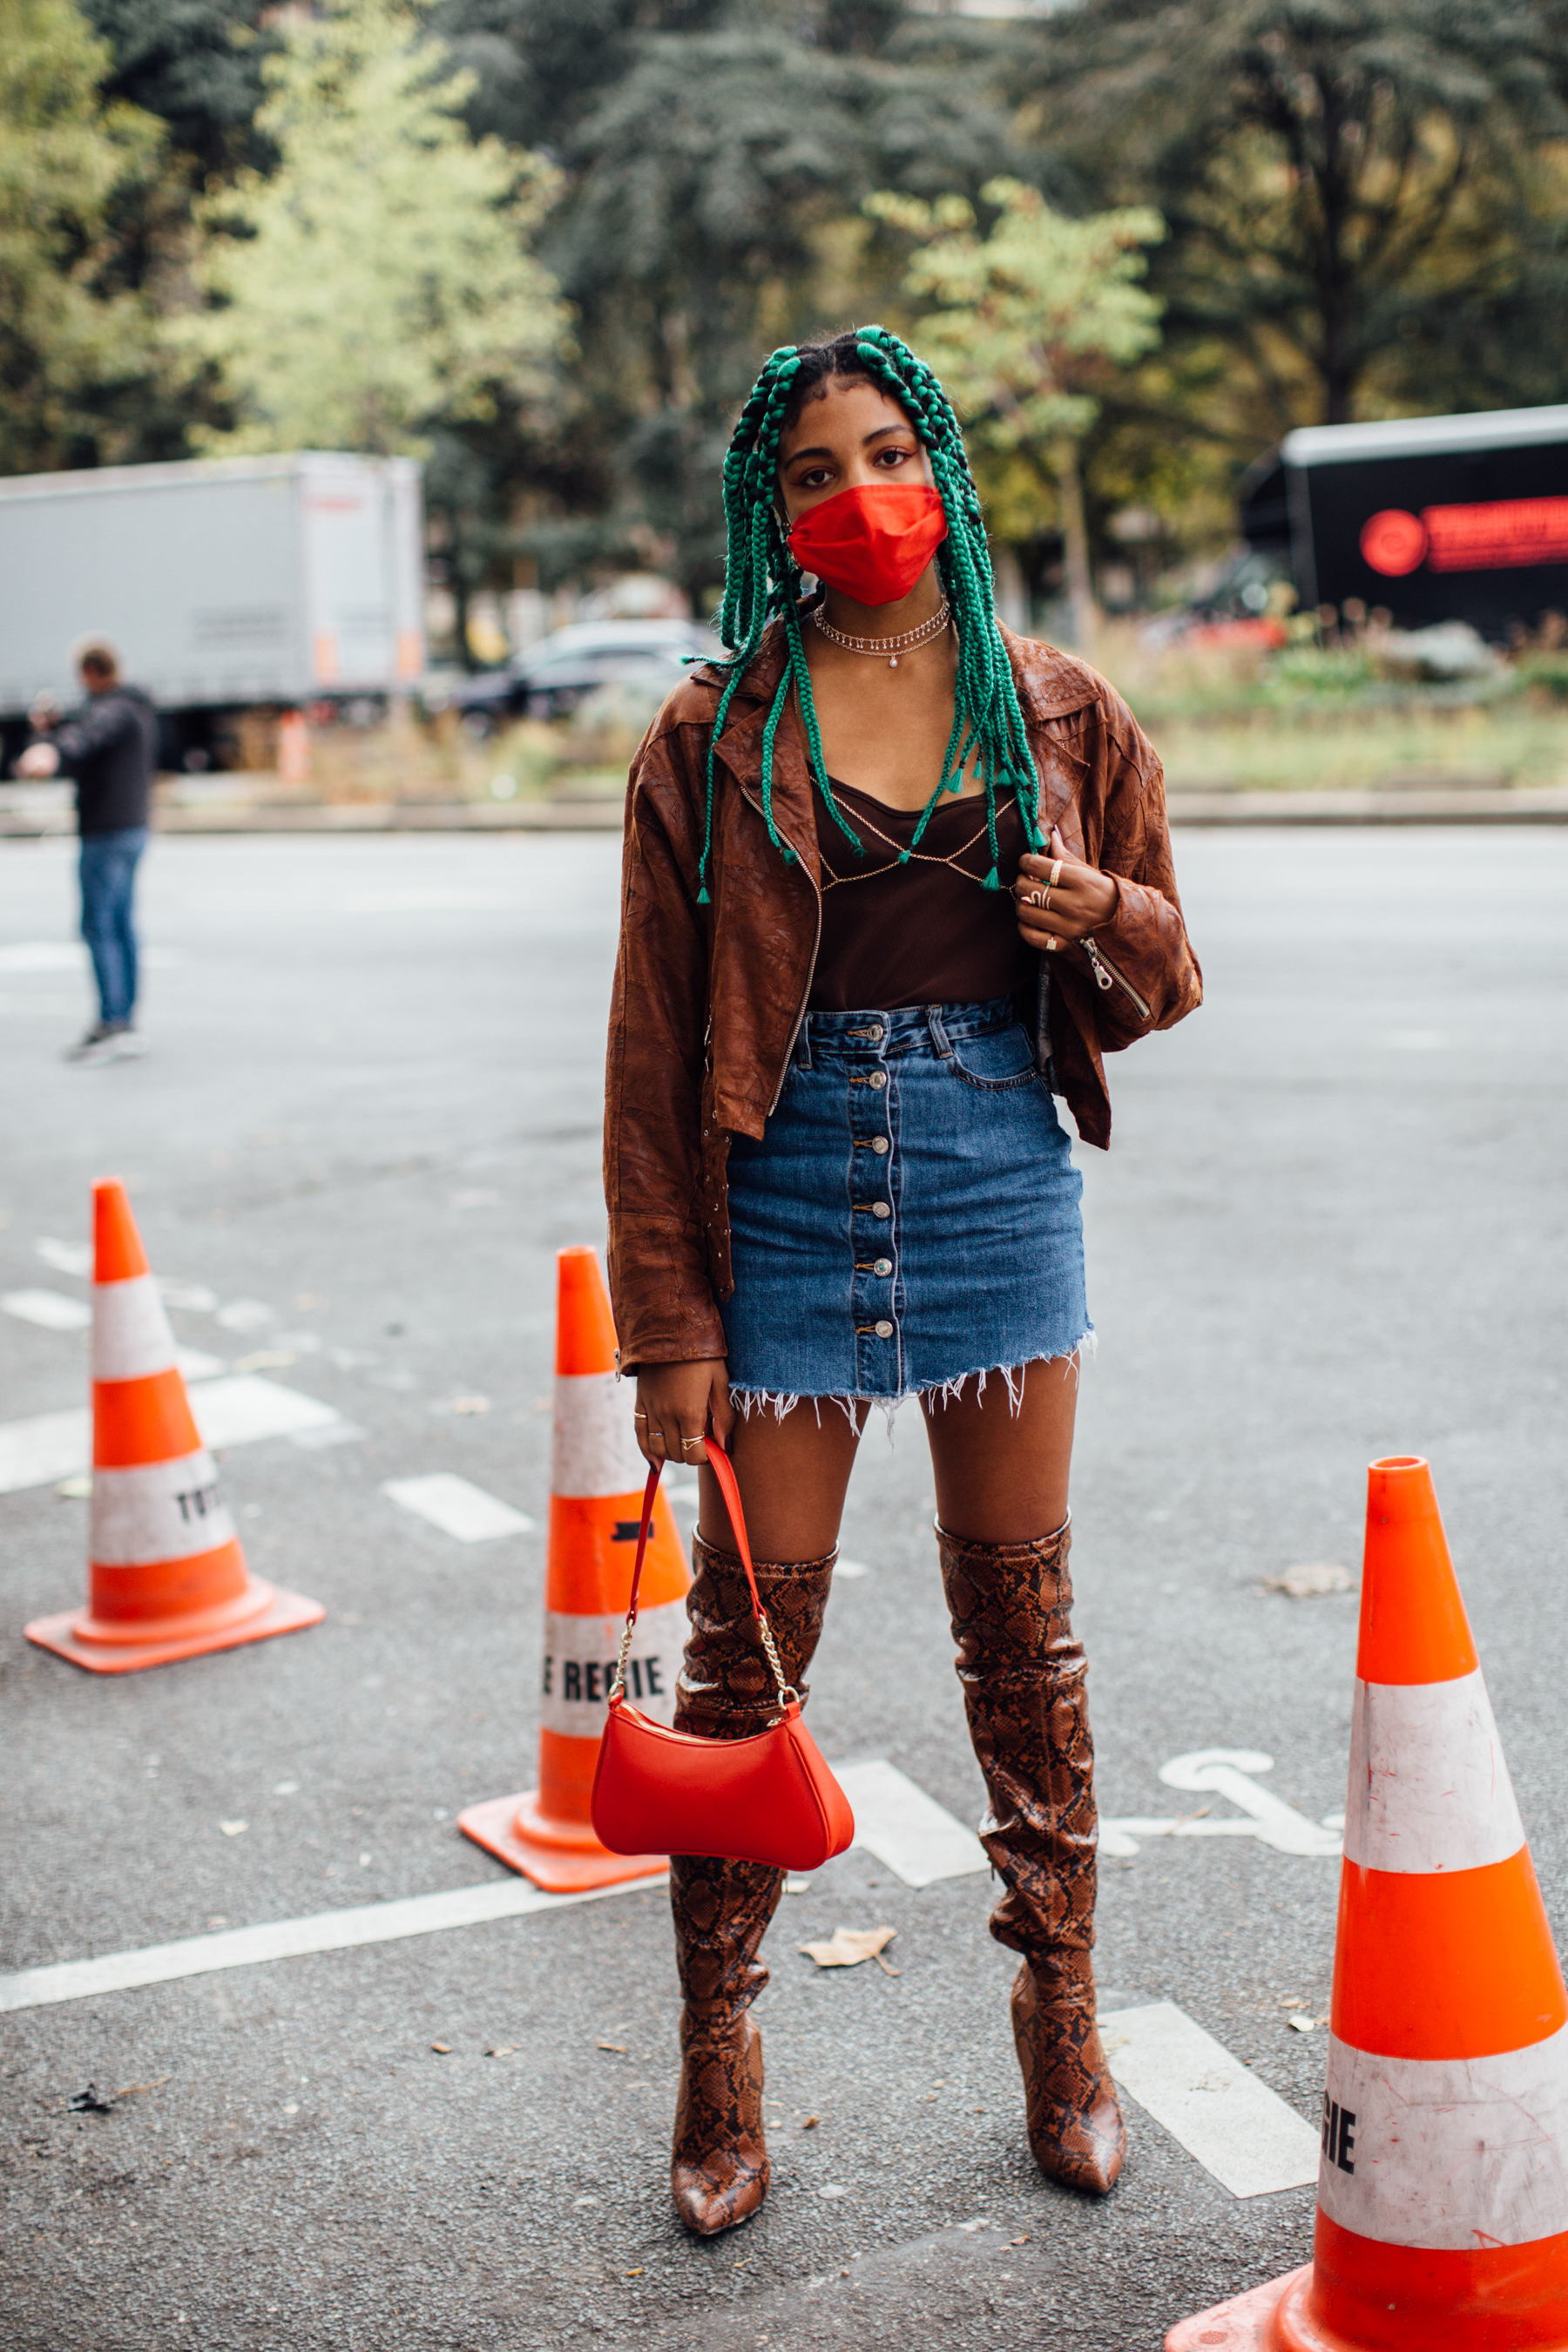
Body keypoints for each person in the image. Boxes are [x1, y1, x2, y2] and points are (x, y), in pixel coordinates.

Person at [604, 326, 1202, 2239]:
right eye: (807, 472)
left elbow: (1171, 969)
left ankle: (1063, 2026)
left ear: (935, 458)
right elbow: (647, 1051)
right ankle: (719, 2066)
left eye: (881, 450)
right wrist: (667, 1332)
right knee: (739, 1653)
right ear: (763, 510)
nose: (852, 493)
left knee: (1024, 1634)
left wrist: (1096, 909)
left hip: (993, 1174)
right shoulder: (714, 730)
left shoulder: (1059, 709)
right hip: (774, 1192)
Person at [16, 637, 158, 1063]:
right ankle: (125, 1020)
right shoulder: (136, 707)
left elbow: (89, 736)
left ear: (90, 672)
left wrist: (50, 749)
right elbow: (89, 735)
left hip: (106, 834)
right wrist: (58, 733)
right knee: (122, 926)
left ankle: (112, 1024)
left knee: (99, 927)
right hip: (132, 829)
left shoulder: (112, 709)